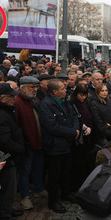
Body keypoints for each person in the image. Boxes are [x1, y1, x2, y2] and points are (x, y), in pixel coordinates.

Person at [0, 83, 25, 220]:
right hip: (5, 157)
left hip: (7, 155)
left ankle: (7, 209)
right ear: (2, 98)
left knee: (9, 188)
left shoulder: (2, 110)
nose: (14, 99)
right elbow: (4, 141)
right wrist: (20, 149)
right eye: (11, 97)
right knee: (8, 188)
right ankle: (5, 214)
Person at [39, 79, 79, 213]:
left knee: (66, 171)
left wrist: (75, 129)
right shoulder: (46, 105)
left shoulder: (65, 101)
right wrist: (72, 132)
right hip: (54, 146)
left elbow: (74, 117)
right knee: (54, 175)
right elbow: (52, 127)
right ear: (55, 91)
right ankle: (53, 201)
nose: (65, 90)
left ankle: (66, 194)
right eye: (62, 88)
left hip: (67, 144)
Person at [14, 76, 47, 210]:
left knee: (38, 167)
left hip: (38, 141)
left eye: (36, 87)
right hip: (27, 144)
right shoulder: (17, 103)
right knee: (25, 171)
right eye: (31, 87)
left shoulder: (35, 100)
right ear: (23, 88)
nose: (35, 90)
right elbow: (16, 126)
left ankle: (39, 189)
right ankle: (25, 196)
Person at [69, 83, 94, 190]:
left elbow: (90, 116)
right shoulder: (72, 103)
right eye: (81, 95)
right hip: (77, 138)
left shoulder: (87, 102)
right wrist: (81, 126)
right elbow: (71, 119)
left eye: (85, 95)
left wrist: (90, 127)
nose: (83, 97)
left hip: (87, 137)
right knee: (77, 164)